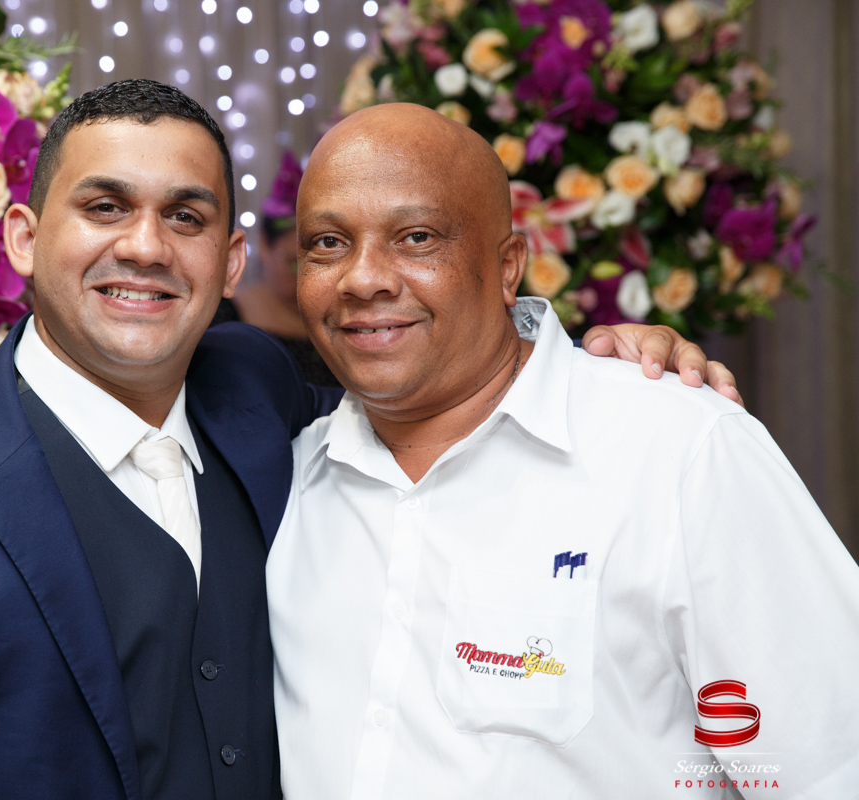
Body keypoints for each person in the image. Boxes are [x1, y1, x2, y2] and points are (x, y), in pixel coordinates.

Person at [0, 81, 733, 800]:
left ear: (233, 258)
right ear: (24, 237)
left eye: (186, 216)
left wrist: (585, 356)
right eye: (104, 206)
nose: (145, 246)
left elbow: (434, 360)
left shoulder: (263, 399)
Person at [267, 103, 859, 799]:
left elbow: (829, 767)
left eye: (416, 237)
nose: (363, 278)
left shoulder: (677, 449)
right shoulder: (284, 477)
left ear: (508, 266)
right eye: (328, 243)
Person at [213, 151, 340, 386]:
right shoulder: (222, 317)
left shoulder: (346, 317)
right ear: (264, 245)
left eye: (320, 259)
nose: (305, 275)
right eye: (293, 262)